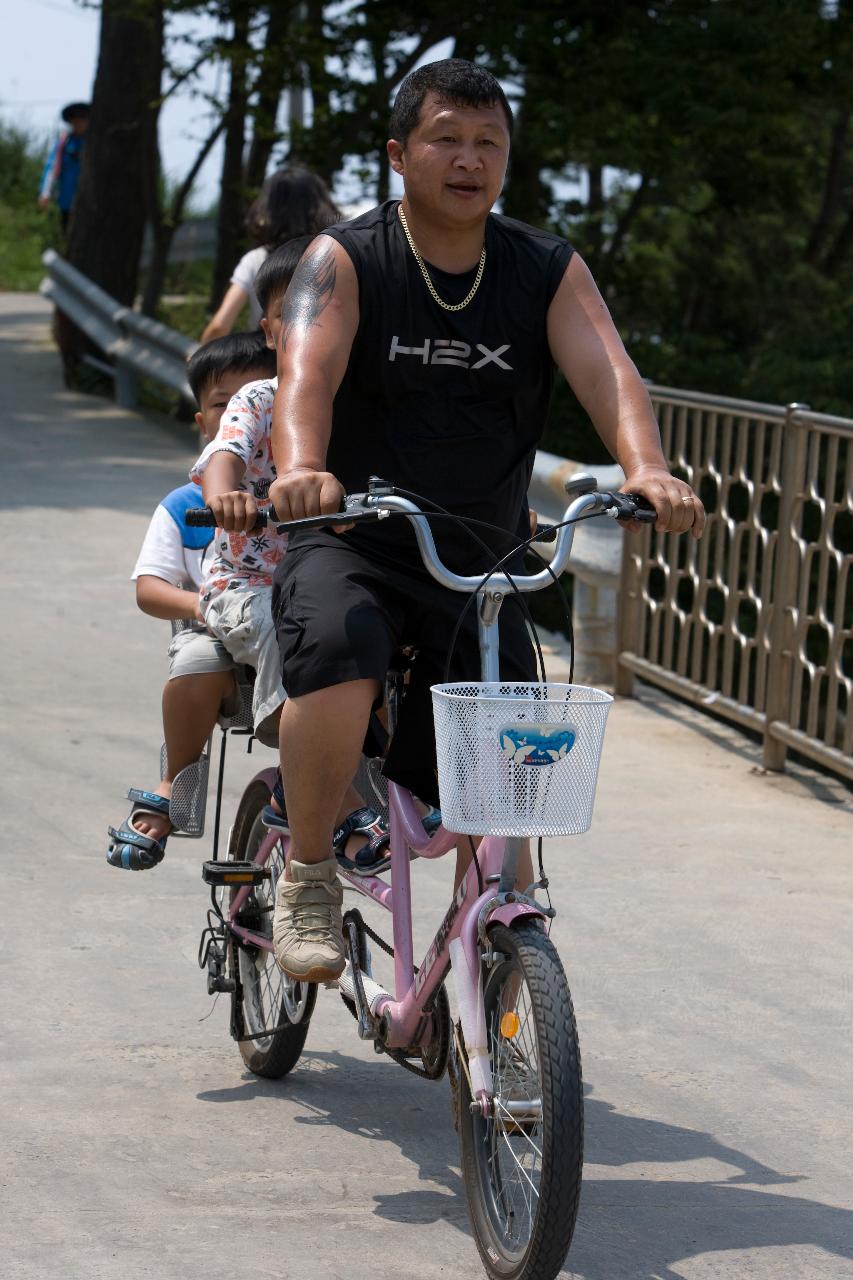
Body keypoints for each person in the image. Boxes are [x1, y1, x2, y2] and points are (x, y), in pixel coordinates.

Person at [220, 58, 706, 982]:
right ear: (401, 154)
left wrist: (646, 469)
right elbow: (306, 376)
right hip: (351, 534)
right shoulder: (348, 257)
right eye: (446, 138)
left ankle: (494, 925)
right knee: (339, 653)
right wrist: (306, 469)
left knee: (513, 737)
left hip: (478, 554)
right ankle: (311, 874)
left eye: (488, 143)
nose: (468, 159)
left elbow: (608, 372)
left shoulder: (543, 267)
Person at [194, 238, 393, 874]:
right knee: (294, 640)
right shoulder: (259, 397)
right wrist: (226, 498)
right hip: (250, 583)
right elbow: (222, 456)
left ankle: (404, 782)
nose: (315, 322)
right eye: (297, 309)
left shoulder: (368, 401)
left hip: (338, 576)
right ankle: (338, 808)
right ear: (272, 329)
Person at [106, 331, 277, 870]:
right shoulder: (185, 505)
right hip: (215, 627)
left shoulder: (301, 487)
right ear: (204, 423)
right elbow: (149, 588)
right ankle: (174, 781)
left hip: (294, 620)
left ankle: (368, 781)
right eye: (225, 405)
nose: (244, 417)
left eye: (261, 399)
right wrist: (198, 606)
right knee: (198, 664)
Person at [200, 168, 340, 342]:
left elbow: (219, 326)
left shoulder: (255, 260)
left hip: (270, 363)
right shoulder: (338, 257)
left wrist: (201, 360)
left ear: (266, 208)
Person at [38, 102, 89, 231]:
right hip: (66, 203)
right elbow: (51, 168)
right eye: (75, 118)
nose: (78, 121)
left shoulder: (95, 143)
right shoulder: (63, 143)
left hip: (90, 204)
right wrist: (45, 193)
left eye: (82, 117)